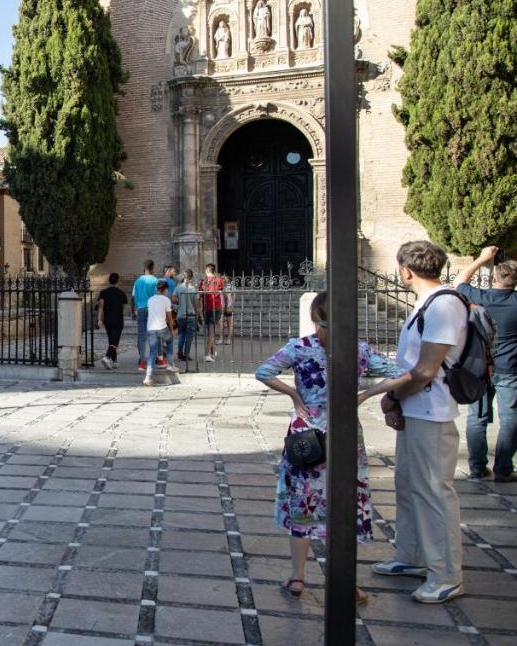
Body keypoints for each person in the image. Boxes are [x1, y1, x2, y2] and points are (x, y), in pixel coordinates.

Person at [257, 291, 405, 601]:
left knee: (303, 501)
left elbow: (264, 372)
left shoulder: (299, 347)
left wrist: (294, 395)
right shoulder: (358, 349)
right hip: (344, 431)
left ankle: (297, 578)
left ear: (314, 316)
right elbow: (401, 374)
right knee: (344, 502)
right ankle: (346, 582)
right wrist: (365, 395)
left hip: (307, 432)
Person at [375, 240, 469, 604]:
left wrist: (392, 396)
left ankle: (446, 573)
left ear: (406, 270)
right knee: (408, 484)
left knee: (433, 492)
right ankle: (411, 555)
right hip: (416, 409)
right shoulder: (426, 304)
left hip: (432, 411)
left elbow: (427, 369)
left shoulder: (444, 305)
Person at [455, 246, 517, 481]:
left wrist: (482, 259)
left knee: (476, 415)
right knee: (511, 417)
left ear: (493, 278)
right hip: (509, 368)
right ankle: (503, 469)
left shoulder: (480, 297)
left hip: (479, 367)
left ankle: (477, 468)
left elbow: (460, 281)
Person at [143, 280, 177, 386]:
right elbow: (169, 317)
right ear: (165, 290)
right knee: (170, 341)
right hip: (162, 327)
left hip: (151, 328)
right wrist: (171, 329)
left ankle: (148, 377)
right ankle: (170, 365)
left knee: (153, 352)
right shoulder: (166, 299)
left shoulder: (150, 300)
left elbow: (150, 313)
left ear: (157, 289)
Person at [95, 273, 128, 370]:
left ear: (109, 281)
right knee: (115, 341)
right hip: (118, 319)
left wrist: (99, 319)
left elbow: (101, 306)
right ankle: (106, 357)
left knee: (111, 340)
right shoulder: (121, 293)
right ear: (118, 281)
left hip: (108, 320)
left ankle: (114, 361)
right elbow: (123, 308)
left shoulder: (104, 292)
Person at [131, 260, 159, 371]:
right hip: (152, 309)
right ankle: (154, 359)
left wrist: (134, 310)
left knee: (141, 336)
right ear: (152, 268)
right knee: (153, 335)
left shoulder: (138, 281)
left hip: (141, 309)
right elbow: (157, 297)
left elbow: (133, 296)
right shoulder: (155, 280)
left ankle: (142, 361)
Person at [198, 264, 225, 362]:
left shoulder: (203, 281)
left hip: (207, 307)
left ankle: (212, 352)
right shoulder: (218, 280)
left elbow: (200, 296)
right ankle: (207, 354)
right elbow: (221, 290)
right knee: (211, 332)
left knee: (210, 331)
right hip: (216, 306)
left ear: (207, 270)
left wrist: (200, 309)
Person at [174, 270, 200, 362]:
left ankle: (180, 352)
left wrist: (179, 303)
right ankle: (186, 354)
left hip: (181, 314)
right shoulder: (193, 289)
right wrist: (197, 317)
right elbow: (197, 305)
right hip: (191, 315)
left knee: (181, 335)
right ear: (191, 277)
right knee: (189, 336)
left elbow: (173, 299)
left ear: (183, 277)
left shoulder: (178, 287)